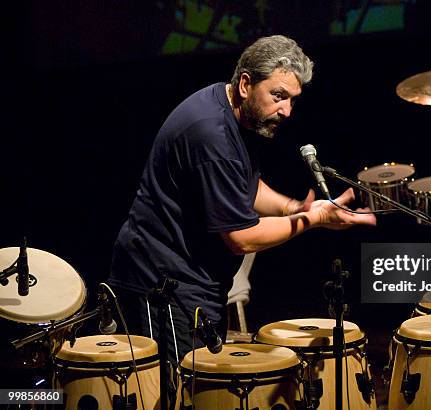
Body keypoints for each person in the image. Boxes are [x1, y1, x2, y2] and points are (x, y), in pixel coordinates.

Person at [107, 35, 376, 365]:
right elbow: (242, 238)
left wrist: (294, 208)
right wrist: (312, 220)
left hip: (191, 278)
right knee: (179, 392)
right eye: (278, 96)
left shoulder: (233, 112)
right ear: (246, 84)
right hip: (161, 281)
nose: (287, 110)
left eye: (293, 100)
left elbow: (244, 185)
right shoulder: (212, 134)